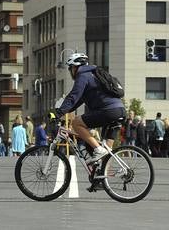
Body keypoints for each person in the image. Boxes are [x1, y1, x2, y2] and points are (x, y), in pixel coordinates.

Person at [51, 52, 125, 190]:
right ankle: (103, 180)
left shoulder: (83, 75)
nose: (70, 72)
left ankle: (97, 149)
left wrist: (57, 113)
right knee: (106, 151)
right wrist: (63, 111)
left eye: (70, 69)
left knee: (76, 123)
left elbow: (73, 96)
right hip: (119, 110)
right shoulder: (94, 75)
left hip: (109, 111)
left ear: (75, 67)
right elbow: (77, 102)